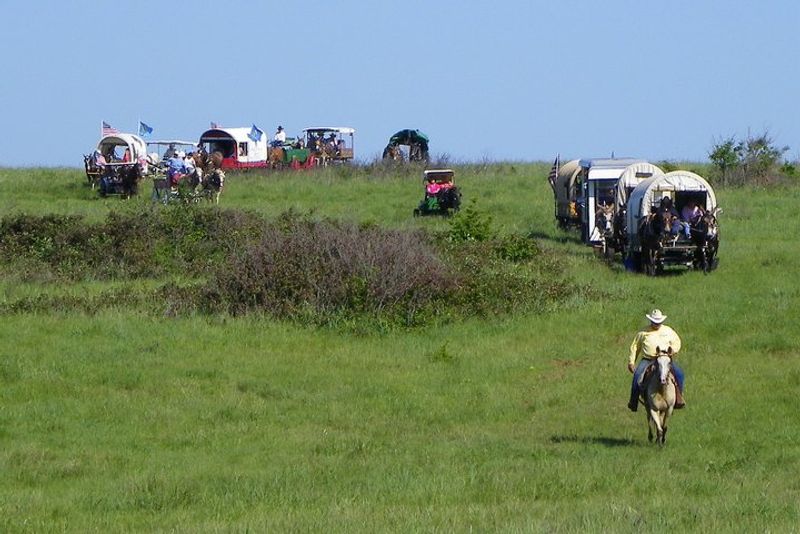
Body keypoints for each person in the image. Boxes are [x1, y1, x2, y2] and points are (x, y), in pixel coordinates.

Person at [627, 309, 686, 411]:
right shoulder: (643, 332)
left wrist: (673, 350)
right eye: (655, 322)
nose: (657, 324)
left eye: (658, 322)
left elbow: (677, 341)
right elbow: (635, 346)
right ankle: (633, 401)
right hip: (648, 359)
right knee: (637, 376)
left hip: (665, 359)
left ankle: (678, 398)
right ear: (651, 321)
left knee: (679, 374)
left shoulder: (668, 331)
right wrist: (632, 362)